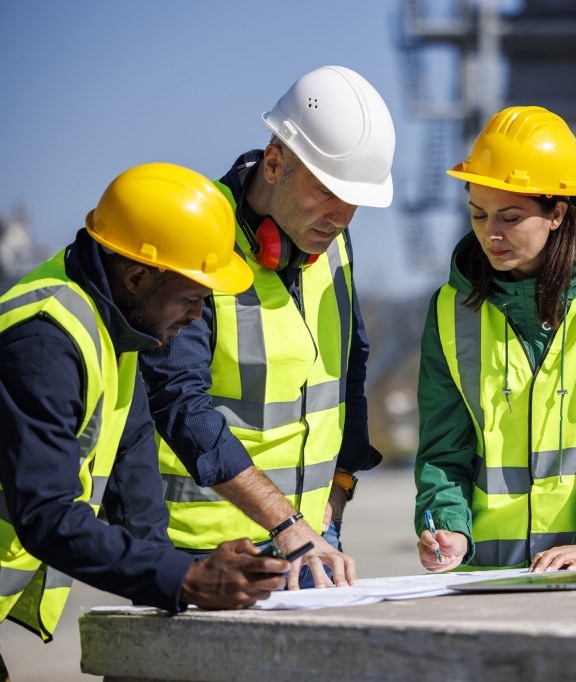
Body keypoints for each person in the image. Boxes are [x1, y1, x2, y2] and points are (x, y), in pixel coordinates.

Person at [0, 163, 289, 672]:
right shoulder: (45, 340)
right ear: (137, 277)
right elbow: (47, 515)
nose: (198, 317)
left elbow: (135, 478)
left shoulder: (118, 325)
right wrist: (187, 579)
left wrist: (179, 576)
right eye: (192, 298)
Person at [138, 66, 395, 589]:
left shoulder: (334, 242)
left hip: (310, 542)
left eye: (354, 201)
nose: (341, 215)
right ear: (275, 163)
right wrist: (285, 521)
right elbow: (177, 400)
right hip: (203, 549)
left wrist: (340, 488)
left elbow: (351, 373)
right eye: (326, 190)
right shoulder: (197, 237)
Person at [414, 106, 576, 573]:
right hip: (487, 574)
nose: (491, 234)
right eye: (478, 213)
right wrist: (446, 526)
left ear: (557, 213)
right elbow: (443, 447)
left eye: (510, 217)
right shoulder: (450, 308)